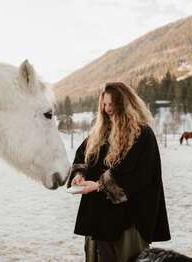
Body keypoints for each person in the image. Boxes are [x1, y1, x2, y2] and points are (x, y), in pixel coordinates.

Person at [67, 82, 170, 262]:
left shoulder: (142, 134)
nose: (107, 109)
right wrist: (79, 175)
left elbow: (139, 175)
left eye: (112, 104)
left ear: (125, 104)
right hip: (100, 218)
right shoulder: (100, 132)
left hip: (128, 220)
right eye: (104, 104)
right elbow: (82, 156)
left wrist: (99, 185)